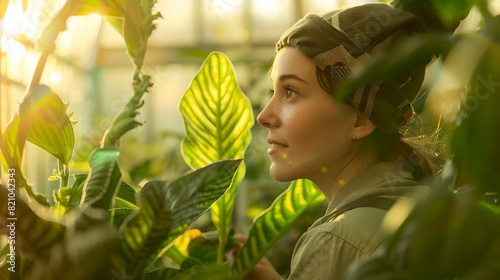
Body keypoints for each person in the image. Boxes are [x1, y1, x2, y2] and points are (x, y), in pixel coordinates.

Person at [241, 1, 465, 279]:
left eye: (290, 92)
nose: (264, 116)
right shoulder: (413, 205)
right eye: (272, 90)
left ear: (361, 120)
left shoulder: (336, 241)